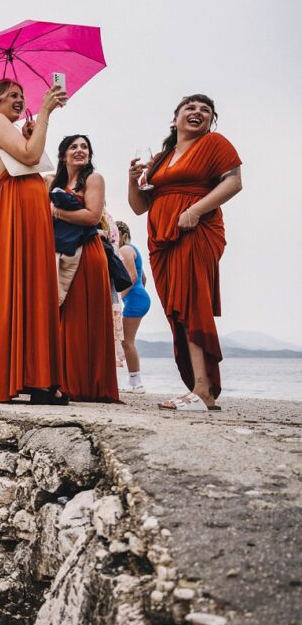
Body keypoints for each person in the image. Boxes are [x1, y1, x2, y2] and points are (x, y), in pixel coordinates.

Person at [128, 94, 242, 411]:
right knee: (177, 310)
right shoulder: (163, 158)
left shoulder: (214, 143)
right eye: (190, 107)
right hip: (161, 240)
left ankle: (203, 390)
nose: (198, 112)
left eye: (205, 110)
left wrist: (195, 211)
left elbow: (233, 183)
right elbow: (139, 207)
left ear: (211, 121)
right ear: (175, 117)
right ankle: (196, 386)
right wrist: (132, 181)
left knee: (193, 303)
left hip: (196, 231)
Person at [0, 79, 68, 404]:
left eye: (22, 95)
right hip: (16, 208)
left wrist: (32, 131)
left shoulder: (4, 127)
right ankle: (33, 379)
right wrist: (45, 111)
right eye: (12, 95)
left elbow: (28, 153)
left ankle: (32, 376)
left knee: (30, 289)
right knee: (23, 288)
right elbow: (30, 157)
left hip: (24, 207)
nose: (20, 99)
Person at [48, 134, 120, 403]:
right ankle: (63, 380)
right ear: (63, 154)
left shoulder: (93, 179)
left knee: (82, 318)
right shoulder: (53, 182)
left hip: (87, 253)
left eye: (85, 147)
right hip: (60, 254)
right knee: (63, 318)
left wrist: (55, 213)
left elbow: (91, 216)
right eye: (73, 147)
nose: (80, 151)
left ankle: (86, 383)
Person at [116, 220, 151, 393]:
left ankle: (136, 384)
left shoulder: (124, 250)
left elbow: (133, 276)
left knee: (126, 342)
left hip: (135, 299)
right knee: (127, 341)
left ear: (121, 234)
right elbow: (143, 278)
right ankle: (134, 382)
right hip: (139, 297)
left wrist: (120, 297)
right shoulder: (134, 250)